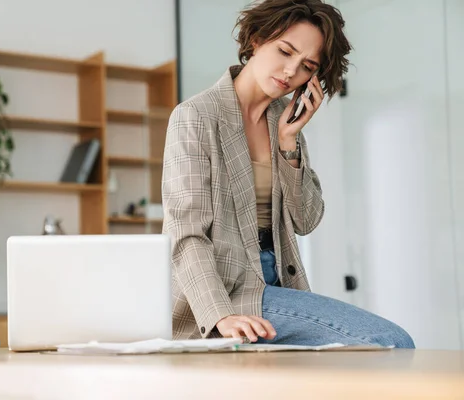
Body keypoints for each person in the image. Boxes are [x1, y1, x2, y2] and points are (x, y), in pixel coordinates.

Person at [161, 0, 415, 348]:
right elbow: (186, 234)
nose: (289, 71)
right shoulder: (196, 116)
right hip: (226, 294)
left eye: (306, 65)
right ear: (257, 39)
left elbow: (306, 219)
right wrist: (220, 315)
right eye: (284, 51)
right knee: (390, 341)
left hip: (276, 284)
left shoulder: (283, 121)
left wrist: (288, 141)